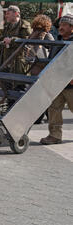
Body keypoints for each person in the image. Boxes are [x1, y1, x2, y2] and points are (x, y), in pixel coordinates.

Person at [40, 14, 73, 145]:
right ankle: (55, 135)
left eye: (65, 25)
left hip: (71, 84)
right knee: (54, 109)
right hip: (57, 83)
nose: (61, 27)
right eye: (61, 25)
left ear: (72, 28)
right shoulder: (57, 41)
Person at [0, 5, 32, 75]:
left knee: (19, 84)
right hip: (4, 62)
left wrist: (12, 40)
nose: (6, 16)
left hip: (18, 63)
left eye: (8, 13)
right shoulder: (7, 26)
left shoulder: (24, 26)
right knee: (2, 83)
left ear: (16, 14)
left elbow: (27, 43)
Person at [28, 15, 54, 124]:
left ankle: (38, 117)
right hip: (43, 67)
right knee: (46, 93)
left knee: (37, 93)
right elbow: (54, 48)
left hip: (33, 66)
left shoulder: (32, 35)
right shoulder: (47, 36)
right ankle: (46, 116)